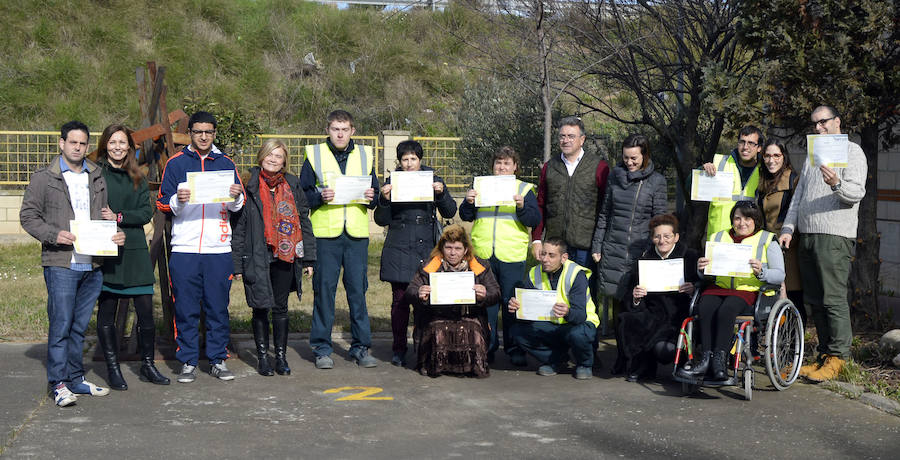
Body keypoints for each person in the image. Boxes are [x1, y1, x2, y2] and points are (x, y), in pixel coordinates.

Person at [20, 121, 125, 407]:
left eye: (82, 144)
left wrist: (114, 229)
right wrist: (54, 235)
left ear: (87, 146)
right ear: (62, 143)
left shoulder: (96, 175)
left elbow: (104, 215)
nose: (78, 148)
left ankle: (76, 378)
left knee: (79, 326)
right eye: (73, 142)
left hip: (92, 264)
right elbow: (28, 217)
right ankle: (58, 384)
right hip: (61, 262)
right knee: (61, 324)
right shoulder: (44, 178)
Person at [779, 105, 866, 382]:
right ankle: (825, 357)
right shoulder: (812, 156)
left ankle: (840, 358)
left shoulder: (853, 152)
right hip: (807, 235)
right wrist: (789, 227)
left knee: (832, 299)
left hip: (834, 236)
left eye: (823, 122)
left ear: (837, 121)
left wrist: (837, 183)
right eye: (815, 124)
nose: (819, 128)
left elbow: (856, 193)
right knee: (815, 300)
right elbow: (799, 196)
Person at [156, 111, 245, 383]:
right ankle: (188, 361)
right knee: (185, 307)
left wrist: (235, 197)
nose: (203, 136)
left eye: (208, 131)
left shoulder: (226, 163)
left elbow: (238, 204)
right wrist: (178, 200)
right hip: (185, 247)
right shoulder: (176, 163)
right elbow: (162, 202)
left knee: (218, 307)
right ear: (191, 134)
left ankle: (218, 359)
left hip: (218, 248)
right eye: (198, 132)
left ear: (214, 133)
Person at [300, 110, 379, 369]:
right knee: (324, 292)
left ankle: (360, 347)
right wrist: (319, 197)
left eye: (345, 129)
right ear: (328, 130)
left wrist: (372, 195)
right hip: (326, 235)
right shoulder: (314, 154)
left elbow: (375, 196)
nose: (340, 133)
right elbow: (303, 195)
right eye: (335, 129)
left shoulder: (366, 155)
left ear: (353, 130)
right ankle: (322, 349)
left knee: (358, 292)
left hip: (356, 235)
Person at [232, 139, 317, 377]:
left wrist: (309, 258)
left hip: (286, 254)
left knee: (281, 308)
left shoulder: (292, 183)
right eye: (270, 155)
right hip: (257, 254)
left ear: (284, 161)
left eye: (278, 156)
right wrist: (236, 262)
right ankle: (262, 359)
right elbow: (239, 226)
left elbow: (303, 218)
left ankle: (280, 357)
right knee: (260, 308)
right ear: (261, 157)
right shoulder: (247, 183)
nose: (273, 159)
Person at [95, 124, 169, 389]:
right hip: (106, 249)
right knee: (107, 312)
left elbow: (144, 213)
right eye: (112, 142)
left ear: (129, 147)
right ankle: (113, 369)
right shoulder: (96, 174)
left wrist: (118, 217)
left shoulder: (137, 175)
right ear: (105, 145)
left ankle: (148, 366)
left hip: (135, 250)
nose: (117, 147)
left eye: (122, 142)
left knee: (146, 314)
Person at [676, 201, 784, 382]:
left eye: (748, 218)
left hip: (748, 289)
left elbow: (779, 275)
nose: (742, 223)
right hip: (719, 286)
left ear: (756, 220)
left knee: (727, 310)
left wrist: (762, 271)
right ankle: (705, 359)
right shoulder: (719, 237)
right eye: (737, 218)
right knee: (705, 307)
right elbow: (705, 275)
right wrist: (701, 269)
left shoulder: (767, 239)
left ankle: (720, 360)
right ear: (732, 220)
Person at [375, 140, 457, 367]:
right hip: (399, 244)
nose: (409, 164)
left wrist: (440, 194)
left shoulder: (433, 179)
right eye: (405, 160)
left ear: (420, 160)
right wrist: (384, 199)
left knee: (426, 300)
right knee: (400, 301)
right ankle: (398, 349)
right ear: (399, 162)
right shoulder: (392, 182)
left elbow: (450, 210)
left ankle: (425, 348)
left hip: (426, 246)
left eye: (413, 159)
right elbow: (381, 220)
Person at [459, 146, 539, 366]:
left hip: (511, 254)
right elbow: (465, 215)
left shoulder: (523, 189)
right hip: (483, 253)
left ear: (515, 167)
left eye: (507, 163)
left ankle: (514, 348)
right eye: (498, 163)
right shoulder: (480, 186)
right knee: (486, 303)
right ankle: (488, 346)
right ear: (492, 166)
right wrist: (468, 202)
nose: (502, 167)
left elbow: (534, 219)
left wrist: (522, 207)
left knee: (511, 303)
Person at [590, 134, 667, 329]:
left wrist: (653, 250)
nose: (629, 162)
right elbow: (605, 213)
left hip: (640, 250)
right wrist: (597, 245)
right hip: (613, 247)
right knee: (617, 301)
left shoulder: (657, 182)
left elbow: (659, 221)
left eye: (634, 158)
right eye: (626, 157)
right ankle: (619, 349)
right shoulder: (615, 177)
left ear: (645, 156)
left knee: (637, 303)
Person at [407, 224, 500, 377]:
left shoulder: (480, 266)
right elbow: (410, 290)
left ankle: (471, 366)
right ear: (442, 248)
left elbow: (495, 292)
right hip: (436, 315)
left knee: (472, 329)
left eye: (457, 248)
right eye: (448, 248)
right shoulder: (430, 265)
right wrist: (419, 293)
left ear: (466, 250)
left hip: (469, 315)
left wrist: (484, 295)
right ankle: (437, 365)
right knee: (438, 329)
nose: (452, 253)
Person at [617, 214, 699, 382]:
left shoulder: (690, 257)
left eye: (667, 236)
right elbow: (631, 295)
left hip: (679, 312)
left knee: (665, 349)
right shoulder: (645, 260)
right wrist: (636, 297)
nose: (662, 241)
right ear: (652, 238)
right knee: (627, 319)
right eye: (657, 236)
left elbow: (702, 285)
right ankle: (641, 366)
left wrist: (693, 289)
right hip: (651, 311)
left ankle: (683, 362)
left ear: (676, 237)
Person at [508, 237, 598, 380]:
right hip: (551, 324)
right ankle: (556, 360)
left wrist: (567, 312)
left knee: (578, 335)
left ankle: (585, 364)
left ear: (564, 258)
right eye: (543, 254)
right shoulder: (534, 273)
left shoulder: (576, 274)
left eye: (551, 255)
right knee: (517, 332)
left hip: (578, 323)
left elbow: (580, 316)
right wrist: (516, 309)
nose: (545, 259)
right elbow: (527, 316)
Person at [532, 116, 610, 268]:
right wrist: (536, 239)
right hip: (555, 246)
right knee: (554, 290)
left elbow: (605, 208)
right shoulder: (549, 167)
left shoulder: (599, 167)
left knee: (584, 290)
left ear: (582, 139)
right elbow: (540, 205)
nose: (566, 140)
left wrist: (600, 242)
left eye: (571, 136)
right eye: (562, 136)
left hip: (586, 247)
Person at [757, 140, 803, 322]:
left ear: (784, 157)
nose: (771, 160)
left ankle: (793, 344)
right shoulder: (762, 180)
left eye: (776, 155)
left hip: (788, 246)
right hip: (767, 245)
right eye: (767, 155)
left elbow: (798, 212)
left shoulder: (793, 179)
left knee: (792, 295)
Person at [701, 126, 764, 239]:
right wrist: (702, 171)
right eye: (742, 142)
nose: (745, 147)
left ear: (759, 147)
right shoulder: (719, 163)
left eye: (751, 143)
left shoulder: (764, 170)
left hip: (749, 238)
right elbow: (690, 186)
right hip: (719, 236)